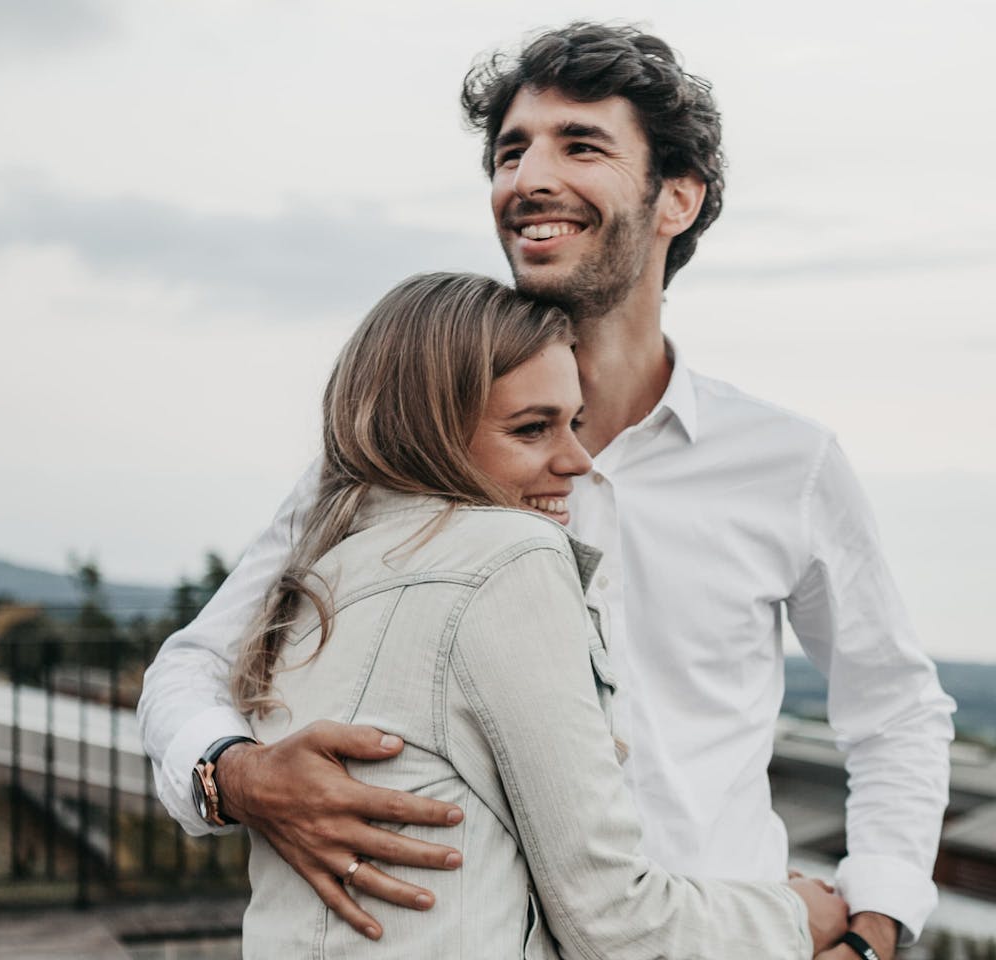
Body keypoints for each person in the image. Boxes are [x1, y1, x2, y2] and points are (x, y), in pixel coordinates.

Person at [139, 22, 955, 960]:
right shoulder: (404, 451)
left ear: (677, 196)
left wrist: (875, 928)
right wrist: (236, 778)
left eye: (581, 145)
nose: (527, 178)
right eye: (510, 151)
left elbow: (896, 711)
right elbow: (194, 665)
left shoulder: (788, 462)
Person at [235, 270, 848, 957]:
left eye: (573, 423)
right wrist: (798, 918)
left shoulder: (315, 574)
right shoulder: (511, 556)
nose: (578, 461)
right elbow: (612, 920)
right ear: (430, 431)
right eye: (533, 429)